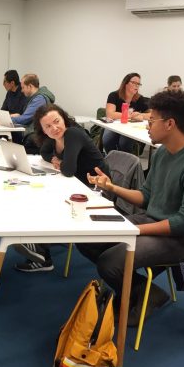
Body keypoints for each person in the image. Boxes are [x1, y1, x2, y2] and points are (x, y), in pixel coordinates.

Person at [77, 90, 184, 326]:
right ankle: (146, 291)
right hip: (155, 221)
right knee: (88, 239)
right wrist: (112, 187)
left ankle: (141, 294)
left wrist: (136, 231)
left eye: (151, 120)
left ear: (170, 124)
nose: (147, 124)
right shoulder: (163, 152)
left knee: (110, 262)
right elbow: (145, 197)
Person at [14, 104, 109, 272]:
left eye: (56, 121)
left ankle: (41, 253)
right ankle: (40, 250)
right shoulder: (55, 137)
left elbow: (68, 169)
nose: (54, 128)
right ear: (43, 130)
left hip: (95, 188)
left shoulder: (73, 134)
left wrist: (61, 163)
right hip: (76, 183)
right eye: (47, 126)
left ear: (64, 119)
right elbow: (44, 152)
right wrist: (55, 160)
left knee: (46, 198)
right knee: (38, 194)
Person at [102, 72, 150, 154]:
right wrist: (130, 116)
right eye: (134, 83)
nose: (137, 86)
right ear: (125, 83)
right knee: (107, 140)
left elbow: (151, 115)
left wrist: (140, 115)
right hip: (114, 125)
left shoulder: (139, 99)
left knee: (124, 143)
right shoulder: (114, 95)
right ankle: (112, 159)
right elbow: (110, 114)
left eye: (138, 84)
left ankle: (126, 163)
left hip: (129, 127)